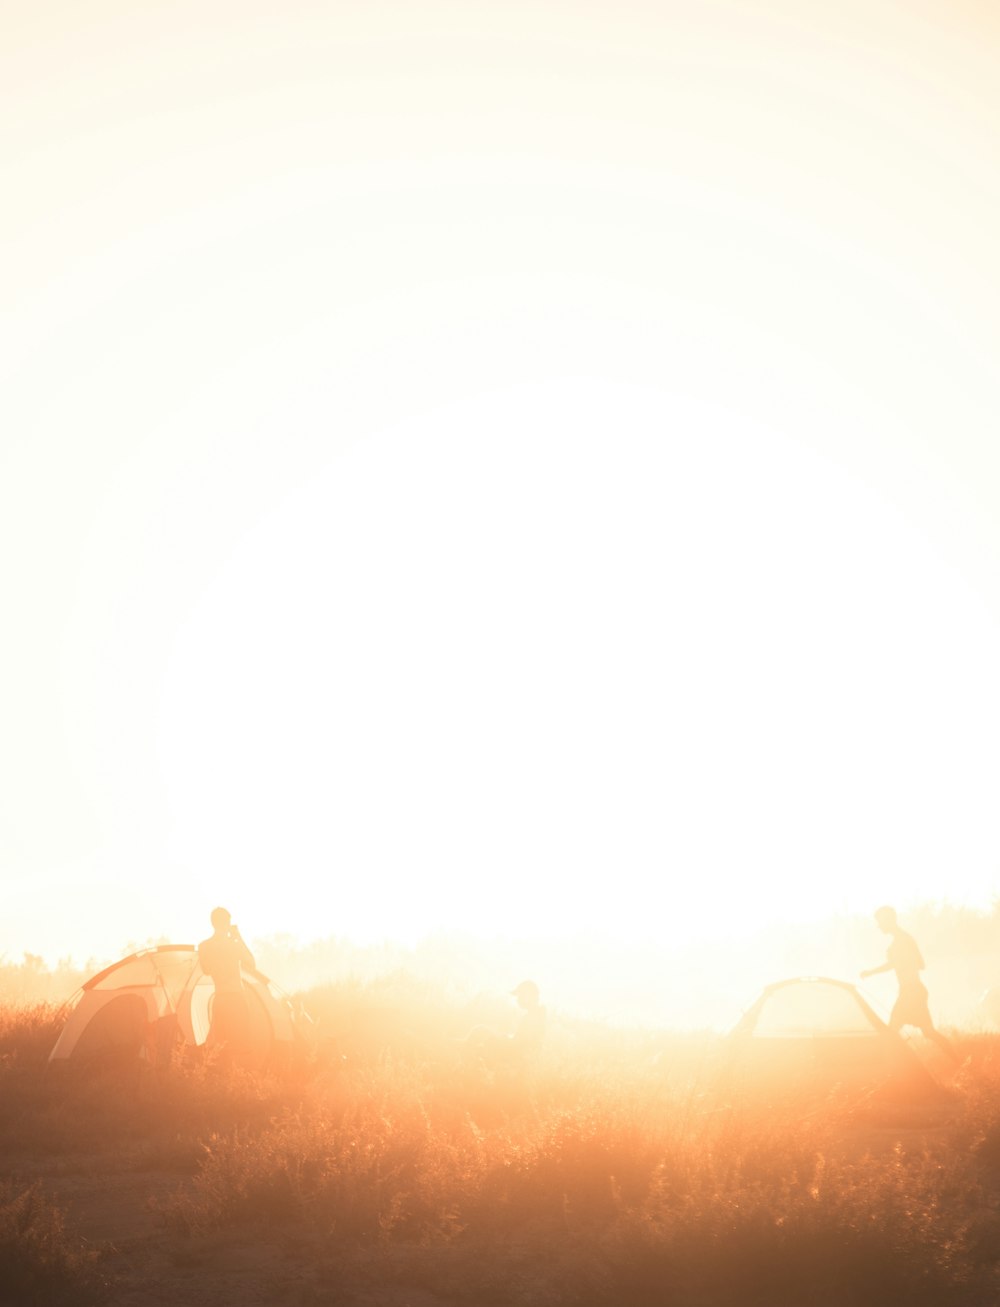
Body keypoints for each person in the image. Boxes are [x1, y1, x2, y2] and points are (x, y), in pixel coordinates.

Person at [860, 905, 959, 1063]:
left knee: (891, 1032)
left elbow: (912, 964)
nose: (878, 926)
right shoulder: (902, 939)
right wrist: (876, 970)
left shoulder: (902, 940)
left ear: (889, 920)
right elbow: (912, 964)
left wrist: (876, 971)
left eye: (880, 922)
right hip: (912, 991)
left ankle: (896, 1070)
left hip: (911, 992)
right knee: (928, 1032)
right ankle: (960, 1063)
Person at [197, 907, 256, 1060]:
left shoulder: (204, 946)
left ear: (213, 923)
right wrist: (238, 937)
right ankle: (234, 1079)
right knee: (240, 1046)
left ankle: (225, 1078)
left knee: (221, 1045)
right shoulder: (233, 944)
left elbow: (206, 970)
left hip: (220, 998)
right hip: (236, 998)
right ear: (226, 923)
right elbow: (251, 963)